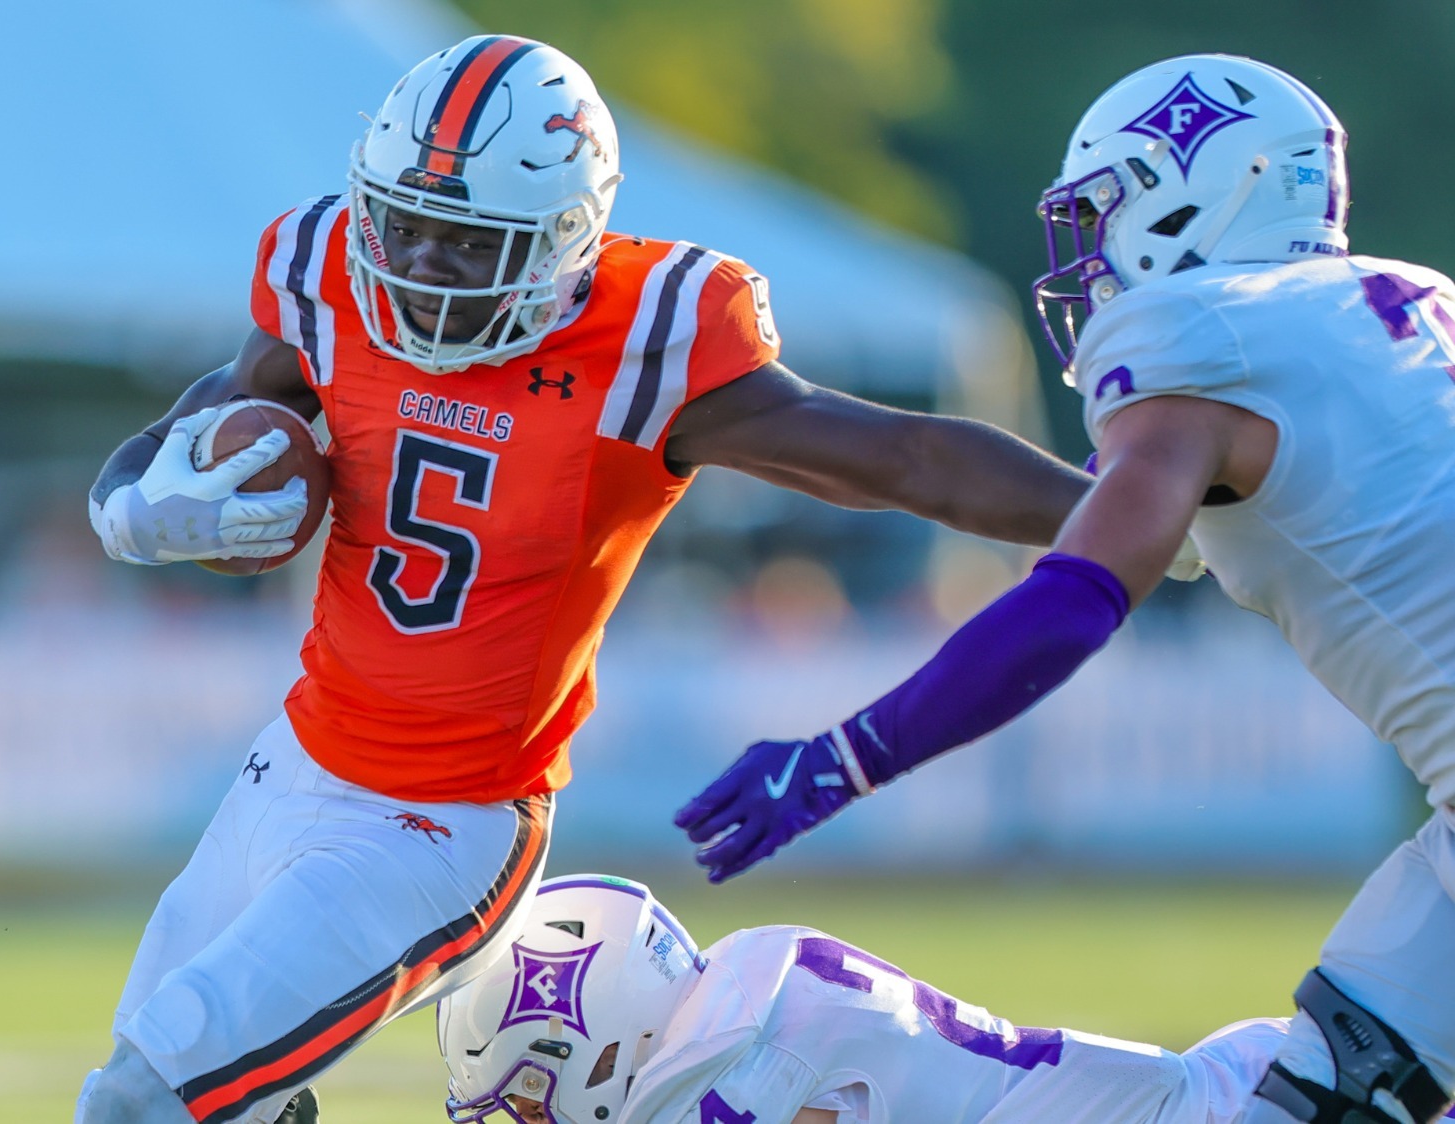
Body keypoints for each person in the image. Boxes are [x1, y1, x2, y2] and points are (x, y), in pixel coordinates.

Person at [79, 34, 1093, 1124]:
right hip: (284, 767)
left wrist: (1127, 515)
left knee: (139, 1100)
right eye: (405, 227)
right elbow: (205, 414)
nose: (418, 266)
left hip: (438, 823)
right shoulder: (328, 276)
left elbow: (900, 458)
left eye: (465, 244)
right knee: (221, 1105)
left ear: (567, 237)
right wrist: (132, 506)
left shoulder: (642, 343)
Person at [675, 53, 1455, 1124]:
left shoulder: (1203, 338)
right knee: (1331, 1083)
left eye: (1109, 204)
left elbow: (1073, 599)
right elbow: (1043, 501)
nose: (1089, 249)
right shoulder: (1395, 307)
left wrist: (845, 756)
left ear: (1210, 191)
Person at [439, 873, 1336, 1124]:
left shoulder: (740, 1056)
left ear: (596, 1040)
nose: (525, 1121)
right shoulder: (744, 1000)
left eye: (526, 1095)